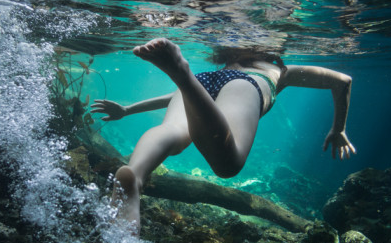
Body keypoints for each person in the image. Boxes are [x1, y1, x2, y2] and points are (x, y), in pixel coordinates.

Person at [91, 38, 356, 232]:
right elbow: (342, 80)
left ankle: (135, 175)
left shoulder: (223, 66)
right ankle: (183, 76)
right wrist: (339, 128)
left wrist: (128, 109)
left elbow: (174, 97)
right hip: (246, 84)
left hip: (203, 80)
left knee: (172, 130)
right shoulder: (281, 71)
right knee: (228, 164)